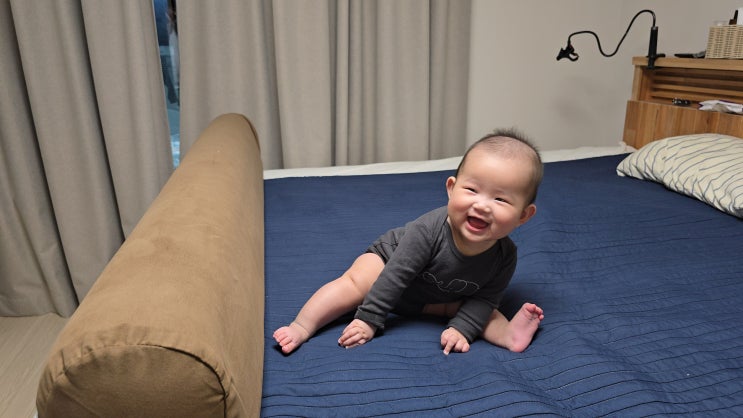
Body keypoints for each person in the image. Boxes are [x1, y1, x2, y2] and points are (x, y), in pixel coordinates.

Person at [274, 129, 545, 355]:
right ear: (451, 189)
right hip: (387, 266)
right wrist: (369, 319)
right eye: (472, 190)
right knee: (355, 284)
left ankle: (509, 336)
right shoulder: (428, 230)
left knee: (483, 311)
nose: (482, 205)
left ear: (523, 215)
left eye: (500, 199)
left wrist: (461, 328)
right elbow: (395, 275)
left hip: (431, 297)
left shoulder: (505, 255)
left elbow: (485, 298)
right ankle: (302, 325)